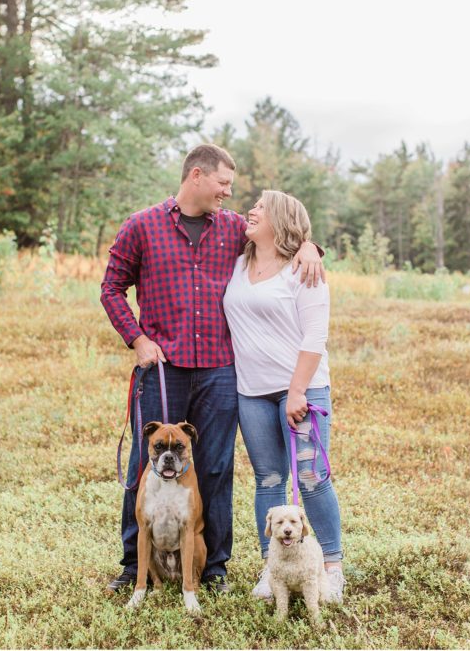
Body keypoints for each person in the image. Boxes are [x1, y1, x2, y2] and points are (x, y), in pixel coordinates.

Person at [100, 145, 325, 593]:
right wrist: (137, 338)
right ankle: (133, 565)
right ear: (197, 176)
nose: (228, 192)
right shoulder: (142, 226)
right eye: (223, 183)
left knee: (217, 466)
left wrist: (311, 247)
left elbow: (278, 231)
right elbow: (111, 287)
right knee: (144, 466)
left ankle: (215, 567)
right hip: (164, 367)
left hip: (222, 371)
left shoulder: (233, 228)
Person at [222, 189, 346, 603]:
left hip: (302, 390)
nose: (250, 210)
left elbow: (315, 337)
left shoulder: (303, 270)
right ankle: (271, 567)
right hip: (252, 393)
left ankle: (330, 567)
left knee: (311, 480)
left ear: (281, 220)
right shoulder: (239, 262)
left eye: (260, 207)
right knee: (269, 480)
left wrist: (296, 391)